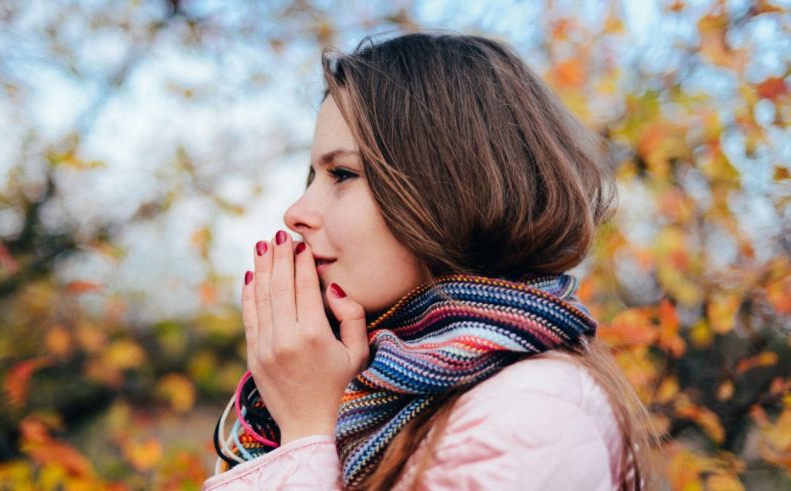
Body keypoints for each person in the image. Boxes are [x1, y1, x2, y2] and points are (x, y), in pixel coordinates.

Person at [203, 31, 661, 490]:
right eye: (312, 177)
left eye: (342, 174)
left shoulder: (532, 409)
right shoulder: (374, 392)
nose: (296, 213)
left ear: (449, 190)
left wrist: (306, 432)